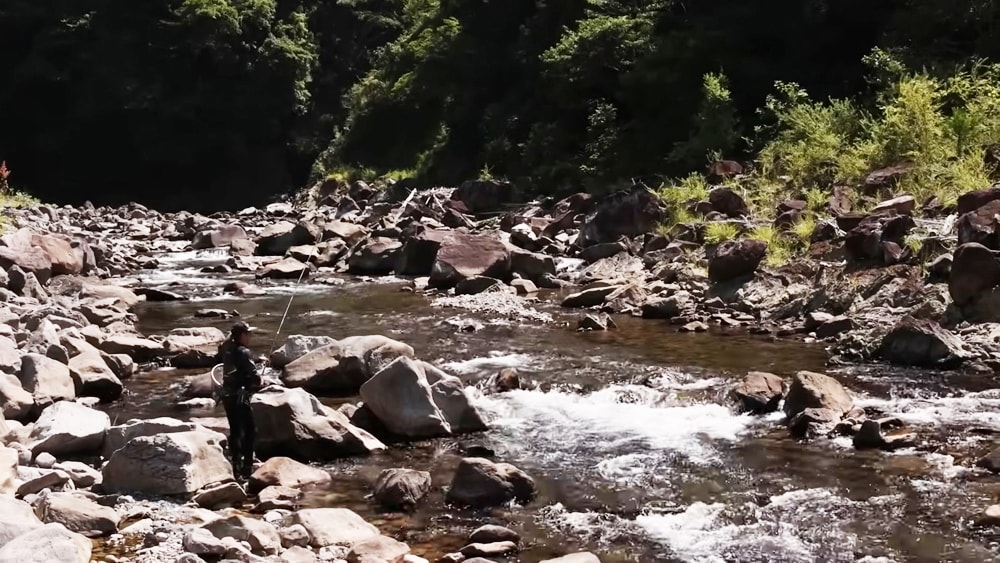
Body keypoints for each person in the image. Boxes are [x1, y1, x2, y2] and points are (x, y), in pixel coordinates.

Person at [218, 321, 263, 480]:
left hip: (227, 396)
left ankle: (236, 466)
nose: (250, 336)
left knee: (235, 430)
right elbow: (255, 378)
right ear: (242, 335)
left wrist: (257, 361)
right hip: (239, 397)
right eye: (248, 334)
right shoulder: (244, 351)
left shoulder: (228, 350)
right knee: (250, 431)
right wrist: (260, 380)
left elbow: (236, 370)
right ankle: (248, 467)